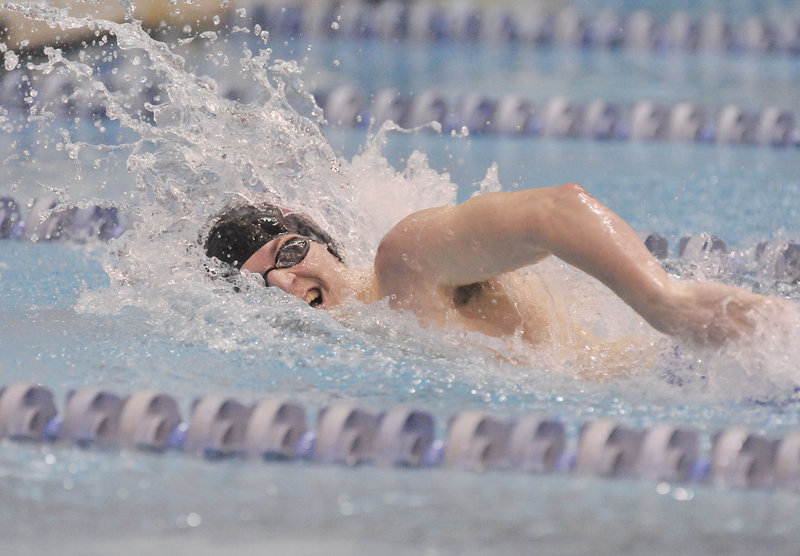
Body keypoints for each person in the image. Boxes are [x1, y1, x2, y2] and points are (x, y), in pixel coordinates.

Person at [204, 183, 783, 349]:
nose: (286, 282)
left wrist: (664, 302)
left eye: (288, 253)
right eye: (260, 283)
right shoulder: (363, 343)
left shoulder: (404, 262)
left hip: (696, 356)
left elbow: (555, 211)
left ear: (320, 241)